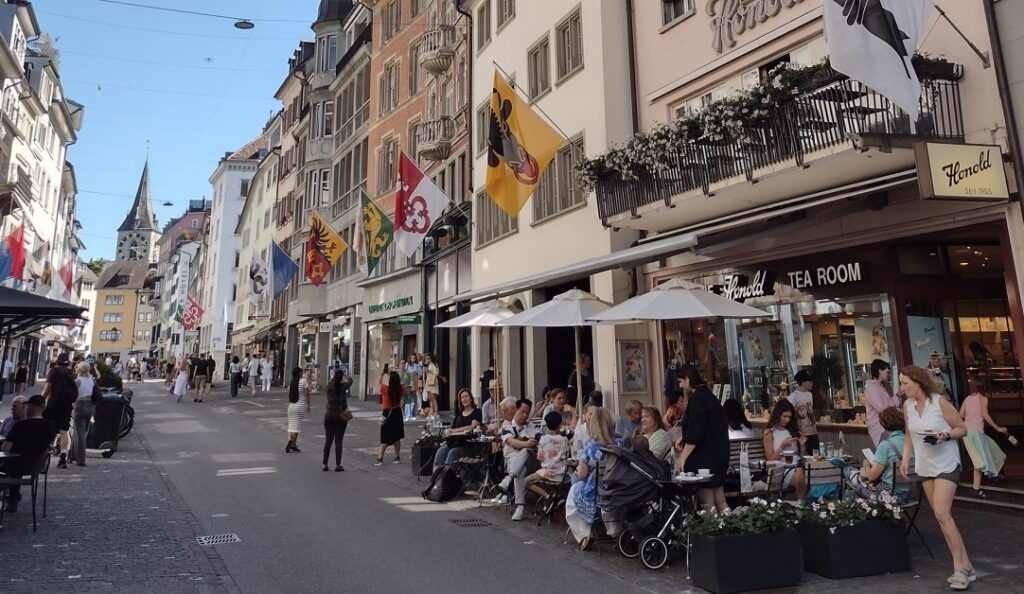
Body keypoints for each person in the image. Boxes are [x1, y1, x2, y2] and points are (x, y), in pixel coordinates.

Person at [899, 365, 974, 590]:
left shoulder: (939, 402)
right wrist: (905, 459)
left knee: (942, 512)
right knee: (941, 516)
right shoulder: (907, 406)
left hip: (946, 464)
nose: (901, 388)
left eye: (905, 383)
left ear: (918, 382)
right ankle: (966, 565)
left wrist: (945, 435)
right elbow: (908, 435)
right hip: (925, 466)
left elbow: (962, 428)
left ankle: (959, 569)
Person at [674, 365, 730, 512]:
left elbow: (696, 432)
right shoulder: (708, 396)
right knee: (720, 498)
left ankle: (711, 529)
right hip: (719, 453)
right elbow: (707, 426)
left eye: (681, 381)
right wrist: (683, 437)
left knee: (707, 502)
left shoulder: (698, 399)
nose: (680, 385)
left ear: (688, 378)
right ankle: (728, 527)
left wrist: (683, 458)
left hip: (704, 457)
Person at [566, 407, 616, 549]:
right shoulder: (618, 444)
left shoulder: (590, 447)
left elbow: (582, 474)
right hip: (615, 487)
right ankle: (613, 529)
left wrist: (578, 471)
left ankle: (584, 533)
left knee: (575, 490)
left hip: (596, 491)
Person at [0, 395, 56, 512]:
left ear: (29, 407)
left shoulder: (20, 425)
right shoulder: (50, 426)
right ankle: (12, 499)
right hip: (36, 466)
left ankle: (11, 499)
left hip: (15, 465)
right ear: (43, 407)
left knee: (6, 468)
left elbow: (5, 449)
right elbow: (50, 447)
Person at [845, 406, 910, 501]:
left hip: (888, 495)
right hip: (906, 494)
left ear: (883, 425)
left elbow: (872, 476)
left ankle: (848, 511)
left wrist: (865, 466)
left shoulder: (886, 445)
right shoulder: (910, 442)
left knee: (848, 472)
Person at [960, 388, 1008, 498]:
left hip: (968, 432)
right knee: (980, 461)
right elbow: (985, 415)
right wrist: (997, 428)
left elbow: (961, 414)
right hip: (977, 433)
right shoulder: (983, 399)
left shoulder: (967, 398)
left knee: (993, 450)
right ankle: (975, 489)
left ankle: (994, 474)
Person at [497, 398, 536, 521]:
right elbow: (511, 441)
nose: (525, 416)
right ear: (516, 410)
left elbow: (539, 437)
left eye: (527, 413)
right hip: (512, 462)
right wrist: (526, 444)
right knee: (521, 467)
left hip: (532, 462)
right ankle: (520, 506)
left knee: (524, 455)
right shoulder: (507, 427)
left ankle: (509, 478)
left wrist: (535, 440)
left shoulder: (531, 426)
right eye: (522, 412)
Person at [763, 399, 808, 500]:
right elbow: (770, 460)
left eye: (789, 417)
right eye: (785, 416)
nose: (787, 420)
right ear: (778, 415)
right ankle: (803, 504)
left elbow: (802, 457)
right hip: (781, 469)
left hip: (797, 465)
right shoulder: (769, 432)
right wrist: (782, 446)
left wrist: (802, 446)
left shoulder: (792, 430)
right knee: (800, 474)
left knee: (812, 472)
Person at [432, 388, 483, 472]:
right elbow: (452, 429)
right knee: (440, 451)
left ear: (471, 398)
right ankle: (435, 481)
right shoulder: (459, 415)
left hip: (470, 446)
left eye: (466, 396)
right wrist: (448, 431)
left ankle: (448, 479)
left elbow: (473, 426)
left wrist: (454, 431)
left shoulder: (477, 412)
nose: (464, 399)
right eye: (462, 397)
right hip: (457, 443)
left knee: (453, 453)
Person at [525, 411, 570, 500]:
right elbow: (567, 454)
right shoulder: (565, 439)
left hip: (546, 473)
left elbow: (540, 458)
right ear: (560, 424)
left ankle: (547, 496)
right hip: (561, 474)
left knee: (526, 481)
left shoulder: (543, 439)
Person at [41, 354, 76, 469]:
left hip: (54, 403)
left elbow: (47, 387)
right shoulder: (70, 373)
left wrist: (41, 400)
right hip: (67, 405)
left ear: (58, 361)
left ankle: (44, 456)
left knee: (47, 428)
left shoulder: (54, 371)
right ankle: (63, 457)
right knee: (63, 431)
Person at [865, 359, 900, 446]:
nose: (888, 375)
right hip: (879, 428)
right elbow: (882, 408)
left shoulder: (880, 387)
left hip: (886, 426)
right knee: (887, 452)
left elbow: (888, 404)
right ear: (880, 371)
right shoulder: (871, 388)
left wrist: (898, 395)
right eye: (887, 372)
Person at [322, 367, 351, 471]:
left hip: (329, 414)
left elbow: (330, 383)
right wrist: (344, 375)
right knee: (338, 441)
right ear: (341, 378)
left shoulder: (329, 387)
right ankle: (338, 465)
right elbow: (350, 380)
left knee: (328, 441)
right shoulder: (343, 387)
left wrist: (335, 376)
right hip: (340, 415)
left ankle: (325, 464)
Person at [69, 362, 95, 466]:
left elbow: (72, 395)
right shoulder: (90, 379)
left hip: (80, 406)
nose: (75, 369)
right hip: (90, 406)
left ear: (80, 370)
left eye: (77, 367)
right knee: (83, 432)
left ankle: (80, 459)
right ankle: (74, 456)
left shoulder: (78, 381)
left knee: (79, 434)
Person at [376, 371, 405, 465]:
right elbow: (403, 385)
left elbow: (379, 384)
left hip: (387, 413)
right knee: (397, 437)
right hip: (397, 412)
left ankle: (380, 458)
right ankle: (397, 457)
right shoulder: (400, 389)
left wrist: (382, 374)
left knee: (384, 436)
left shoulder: (385, 389)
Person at [788, 369, 818, 455]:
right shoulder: (794, 396)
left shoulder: (810, 394)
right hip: (802, 433)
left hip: (813, 430)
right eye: (810, 381)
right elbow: (789, 412)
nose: (811, 383)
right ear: (803, 382)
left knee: (815, 454)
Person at [285, 367, 310, 453]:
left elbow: (289, 394)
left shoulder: (292, 382)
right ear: (299, 373)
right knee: (296, 427)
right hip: (300, 406)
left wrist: (290, 402)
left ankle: (291, 442)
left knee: (291, 425)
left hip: (291, 406)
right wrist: (308, 405)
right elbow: (307, 394)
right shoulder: (304, 381)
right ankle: (292, 443)